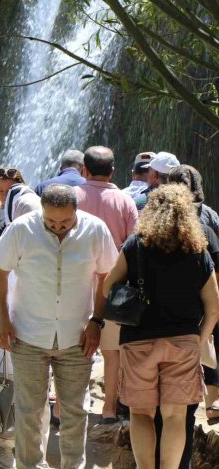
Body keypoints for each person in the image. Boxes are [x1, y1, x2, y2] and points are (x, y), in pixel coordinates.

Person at [0, 184, 118, 469]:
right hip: (27, 334)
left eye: (65, 222)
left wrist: (97, 322)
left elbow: (106, 277)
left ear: (76, 212)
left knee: (75, 412)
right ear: (42, 212)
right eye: (51, 221)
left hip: (77, 336)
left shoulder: (95, 230)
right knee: (29, 412)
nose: (58, 227)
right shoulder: (22, 229)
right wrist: (4, 319)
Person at [103, 184, 219, 469]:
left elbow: (108, 286)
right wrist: (198, 338)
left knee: (141, 414)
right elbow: (214, 307)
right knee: (176, 417)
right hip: (183, 343)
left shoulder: (135, 246)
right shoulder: (198, 250)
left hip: (139, 341)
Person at [75, 146, 139, 423]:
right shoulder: (125, 201)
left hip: (74, 284)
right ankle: (109, 409)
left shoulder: (73, 197)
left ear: (83, 170)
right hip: (112, 288)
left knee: (74, 349)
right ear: (113, 171)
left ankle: (62, 409)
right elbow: (134, 244)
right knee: (111, 353)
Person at [0, 186, 40, 469]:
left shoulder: (44, 244)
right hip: (3, 328)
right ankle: (4, 449)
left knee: (33, 393)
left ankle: (32, 454)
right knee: (2, 387)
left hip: (33, 329)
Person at [164, 165, 219, 467]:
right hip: (197, 317)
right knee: (184, 405)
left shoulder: (150, 223)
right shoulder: (208, 220)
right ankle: (212, 407)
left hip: (156, 327)